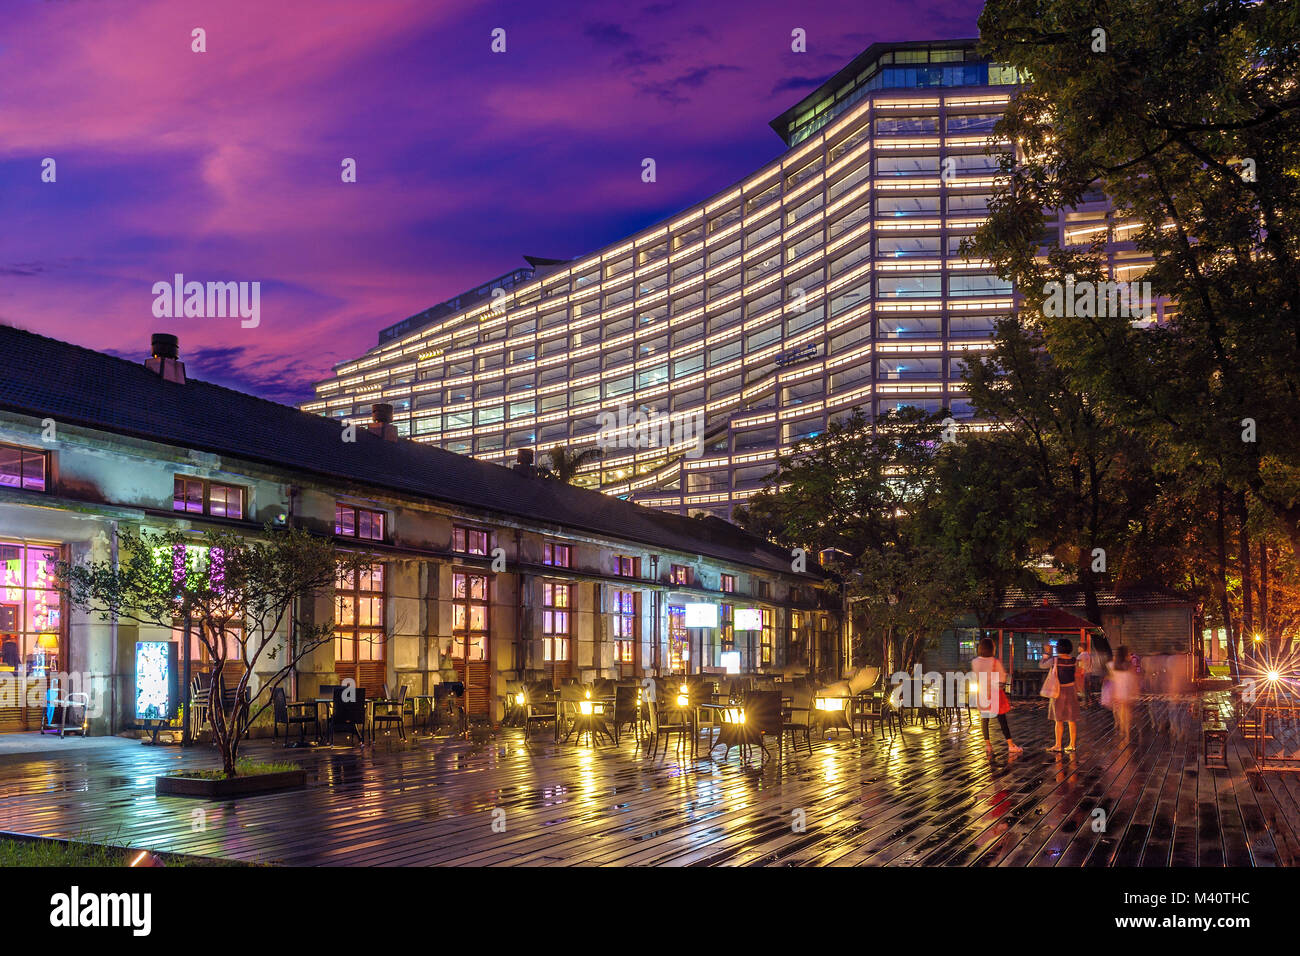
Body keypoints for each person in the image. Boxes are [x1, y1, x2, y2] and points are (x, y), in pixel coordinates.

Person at [971, 638, 1022, 755]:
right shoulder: (995, 662)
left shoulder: (975, 662)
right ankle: (1010, 745)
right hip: (994, 693)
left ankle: (988, 745)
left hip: (982, 693)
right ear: (992, 649)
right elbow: (1003, 679)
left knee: (984, 719)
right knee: (1002, 720)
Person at [1041, 638, 1081, 752]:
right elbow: (1079, 673)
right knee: (1071, 719)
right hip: (1071, 690)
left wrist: (1047, 653)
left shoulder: (1054, 660)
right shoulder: (1074, 660)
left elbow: (1042, 665)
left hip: (1058, 691)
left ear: (1058, 648)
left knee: (1059, 720)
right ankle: (1072, 744)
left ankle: (1058, 745)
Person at [1108, 645, 1140, 744]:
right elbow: (1133, 677)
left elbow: (1112, 679)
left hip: (1119, 690)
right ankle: (1127, 732)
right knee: (1128, 712)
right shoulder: (1129, 664)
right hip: (1127, 690)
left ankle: (1122, 730)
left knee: (1121, 712)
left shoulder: (1114, 665)